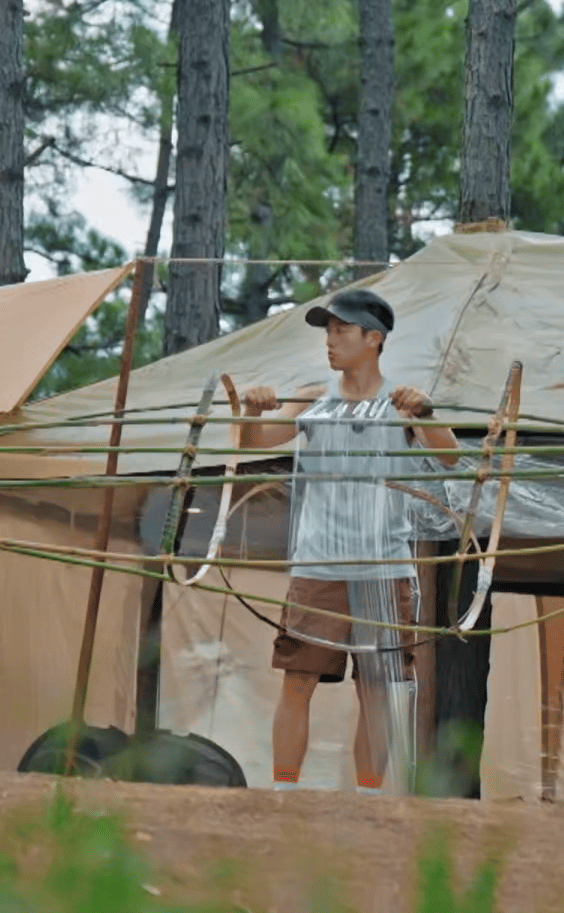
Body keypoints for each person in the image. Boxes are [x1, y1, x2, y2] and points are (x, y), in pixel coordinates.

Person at [239, 288, 461, 794]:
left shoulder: (403, 402)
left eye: (342, 330)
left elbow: (450, 458)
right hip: (318, 563)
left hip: (383, 567)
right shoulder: (311, 396)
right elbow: (254, 444)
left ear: (373, 338)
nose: (331, 340)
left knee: (378, 689)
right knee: (297, 680)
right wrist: (252, 411)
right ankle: (284, 795)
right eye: (328, 330)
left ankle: (366, 799)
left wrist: (426, 414)